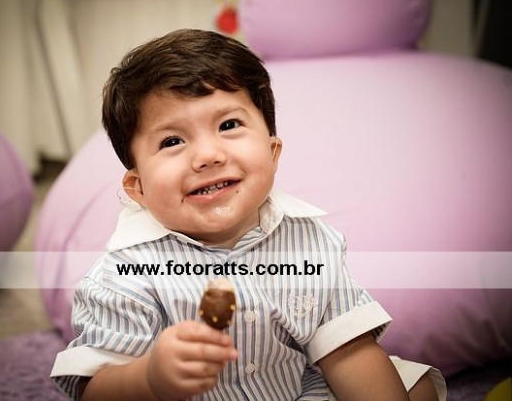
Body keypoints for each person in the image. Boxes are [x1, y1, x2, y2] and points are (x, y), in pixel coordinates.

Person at [50, 29, 446, 401]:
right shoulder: (124, 275)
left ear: (272, 154)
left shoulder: (310, 240)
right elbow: (93, 389)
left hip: (293, 391)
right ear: (138, 188)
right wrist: (150, 377)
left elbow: (347, 350)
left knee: (415, 386)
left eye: (228, 125)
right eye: (172, 141)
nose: (208, 156)